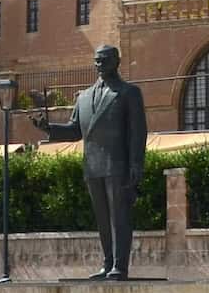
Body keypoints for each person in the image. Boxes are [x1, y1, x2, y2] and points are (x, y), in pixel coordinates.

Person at [32, 45, 148, 280]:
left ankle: (119, 265)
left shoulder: (128, 93)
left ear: (117, 61)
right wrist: (48, 128)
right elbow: (75, 131)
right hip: (93, 166)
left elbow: (138, 132)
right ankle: (107, 263)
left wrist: (136, 164)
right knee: (103, 218)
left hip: (118, 164)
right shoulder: (83, 97)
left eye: (104, 60)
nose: (99, 64)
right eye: (96, 60)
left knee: (119, 216)